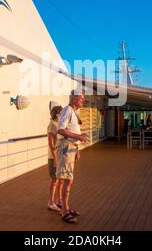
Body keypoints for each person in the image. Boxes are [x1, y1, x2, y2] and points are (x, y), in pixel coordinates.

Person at [56, 89, 89, 224]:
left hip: (70, 148)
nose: (83, 101)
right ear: (75, 98)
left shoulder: (73, 112)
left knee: (67, 179)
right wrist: (79, 137)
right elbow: (61, 129)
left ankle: (65, 207)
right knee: (66, 180)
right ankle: (64, 211)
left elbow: (69, 130)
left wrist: (76, 148)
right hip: (65, 148)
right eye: (81, 98)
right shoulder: (67, 110)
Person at [47, 105, 63, 212]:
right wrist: (56, 159)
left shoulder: (58, 125)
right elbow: (51, 144)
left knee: (60, 179)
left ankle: (59, 200)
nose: (63, 115)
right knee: (54, 180)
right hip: (54, 157)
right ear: (57, 114)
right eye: (62, 113)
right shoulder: (52, 125)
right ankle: (51, 202)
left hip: (60, 155)